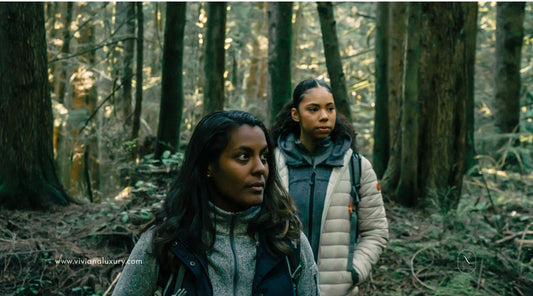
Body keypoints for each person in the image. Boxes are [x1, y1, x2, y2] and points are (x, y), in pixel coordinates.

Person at [112, 110, 320, 296]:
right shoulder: (165, 245)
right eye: (244, 156)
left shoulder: (288, 243)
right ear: (209, 166)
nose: (260, 168)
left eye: (264, 157)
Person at [271, 79, 389, 296]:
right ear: (296, 115)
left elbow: (376, 231)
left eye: (330, 108)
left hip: (336, 290)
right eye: (313, 109)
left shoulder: (356, 166)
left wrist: (353, 272)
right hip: (280, 288)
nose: (324, 116)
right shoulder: (272, 165)